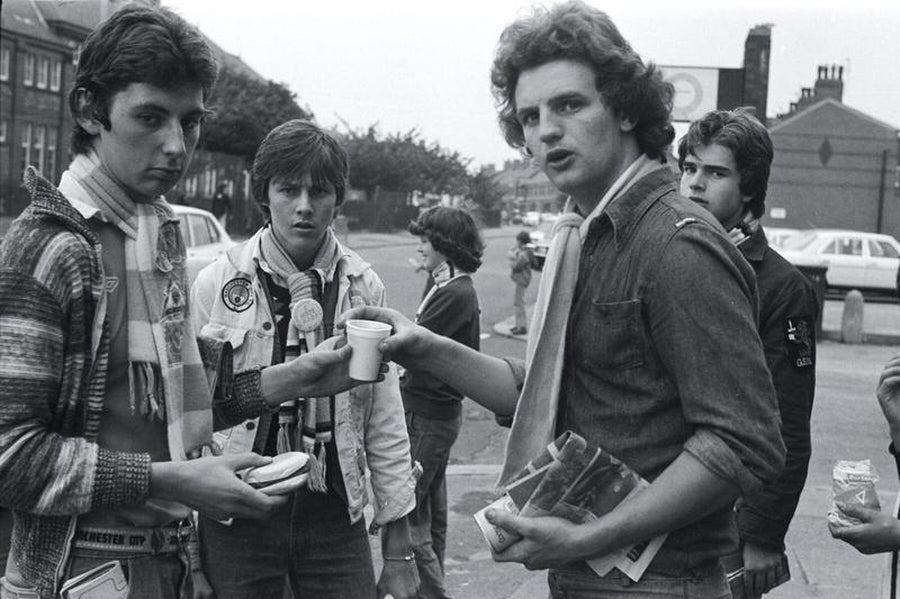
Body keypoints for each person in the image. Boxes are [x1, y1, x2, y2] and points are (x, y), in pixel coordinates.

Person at [341, 1, 785, 596]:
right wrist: (421, 347)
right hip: (587, 574)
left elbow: (743, 443)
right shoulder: (585, 233)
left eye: (570, 104)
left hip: (656, 582)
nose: (546, 129)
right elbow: (549, 394)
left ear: (626, 108)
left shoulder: (676, 245)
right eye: (529, 116)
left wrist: (588, 538)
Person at [0, 8, 360, 599]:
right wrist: (176, 481)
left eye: (190, 122)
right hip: (80, 570)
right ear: (90, 111)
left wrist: (291, 379)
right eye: (150, 117)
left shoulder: (155, 235)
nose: (176, 145)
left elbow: (181, 406)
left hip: (168, 560)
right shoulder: (49, 247)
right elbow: (11, 457)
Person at [190, 119, 419, 599]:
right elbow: (187, 425)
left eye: (319, 192)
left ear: (338, 197)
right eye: (288, 189)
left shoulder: (363, 285)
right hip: (239, 508)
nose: (304, 206)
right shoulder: (217, 281)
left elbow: (383, 415)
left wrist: (399, 551)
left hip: (334, 509)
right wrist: (190, 555)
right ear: (264, 193)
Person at [677, 108, 818, 598]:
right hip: (657, 504)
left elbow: (789, 422)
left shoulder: (783, 289)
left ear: (750, 188)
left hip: (730, 520)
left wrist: (763, 533)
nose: (695, 184)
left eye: (716, 173)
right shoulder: (672, 256)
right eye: (689, 168)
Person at [404, 206, 483, 597]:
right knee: (430, 516)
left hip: (427, 416)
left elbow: (413, 344)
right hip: (435, 414)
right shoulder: (443, 283)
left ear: (445, 246)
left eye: (426, 239)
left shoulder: (455, 291)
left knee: (407, 516)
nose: (419, 246)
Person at [508, 230, 533, 335]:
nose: (516, 242)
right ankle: (519, 325)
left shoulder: (523, 254)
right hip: (522, 279)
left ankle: (522, 326)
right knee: (518, 302)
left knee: (519, 303)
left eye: (517, 241)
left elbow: (516, 266)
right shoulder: (525, 251)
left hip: (522, 280)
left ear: (521, 241)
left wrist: (512, 258)